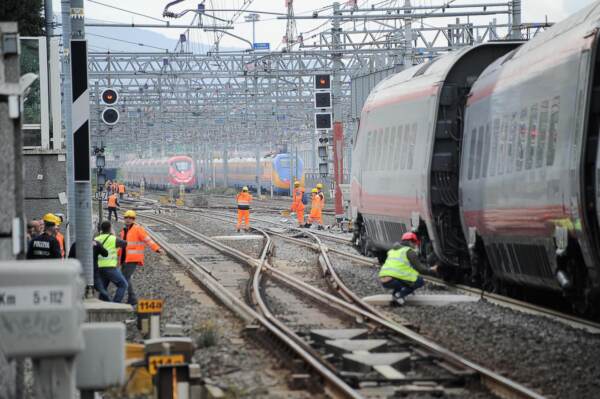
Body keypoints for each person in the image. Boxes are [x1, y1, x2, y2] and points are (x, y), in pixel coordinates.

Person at [379, 232, 438, 306]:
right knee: (419, 281)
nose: (415, 246)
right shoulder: (409, 251)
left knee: (403, 280)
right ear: (410, 242)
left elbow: (400, 266)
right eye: (415, 243)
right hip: (393, 280)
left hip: (384, 279)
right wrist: (431, 270)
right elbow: (420, 269)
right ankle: (399, 295)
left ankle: (396, 296)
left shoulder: (392, 251)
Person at [119, 210, 163, 305]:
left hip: (133, 258)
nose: (128, 220)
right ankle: (131, 298)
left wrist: (156, 248)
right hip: (124, 258)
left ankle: (130, 298)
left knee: (125, 278)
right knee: (125, 278)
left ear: (133, 220)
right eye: (126, 218)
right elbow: (122, 245)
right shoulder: (124, 230)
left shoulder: (138, 229)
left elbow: (147, 239)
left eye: (130, 218)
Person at [95, 221, 128, 303]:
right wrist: (113, 234)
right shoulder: (113, 239)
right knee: (123, 285)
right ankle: (116, 303)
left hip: (99, 268)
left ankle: (102, 304)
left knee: (103, 288)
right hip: (109, 267)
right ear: (110, 228)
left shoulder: (96, 239)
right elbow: (125, 243)